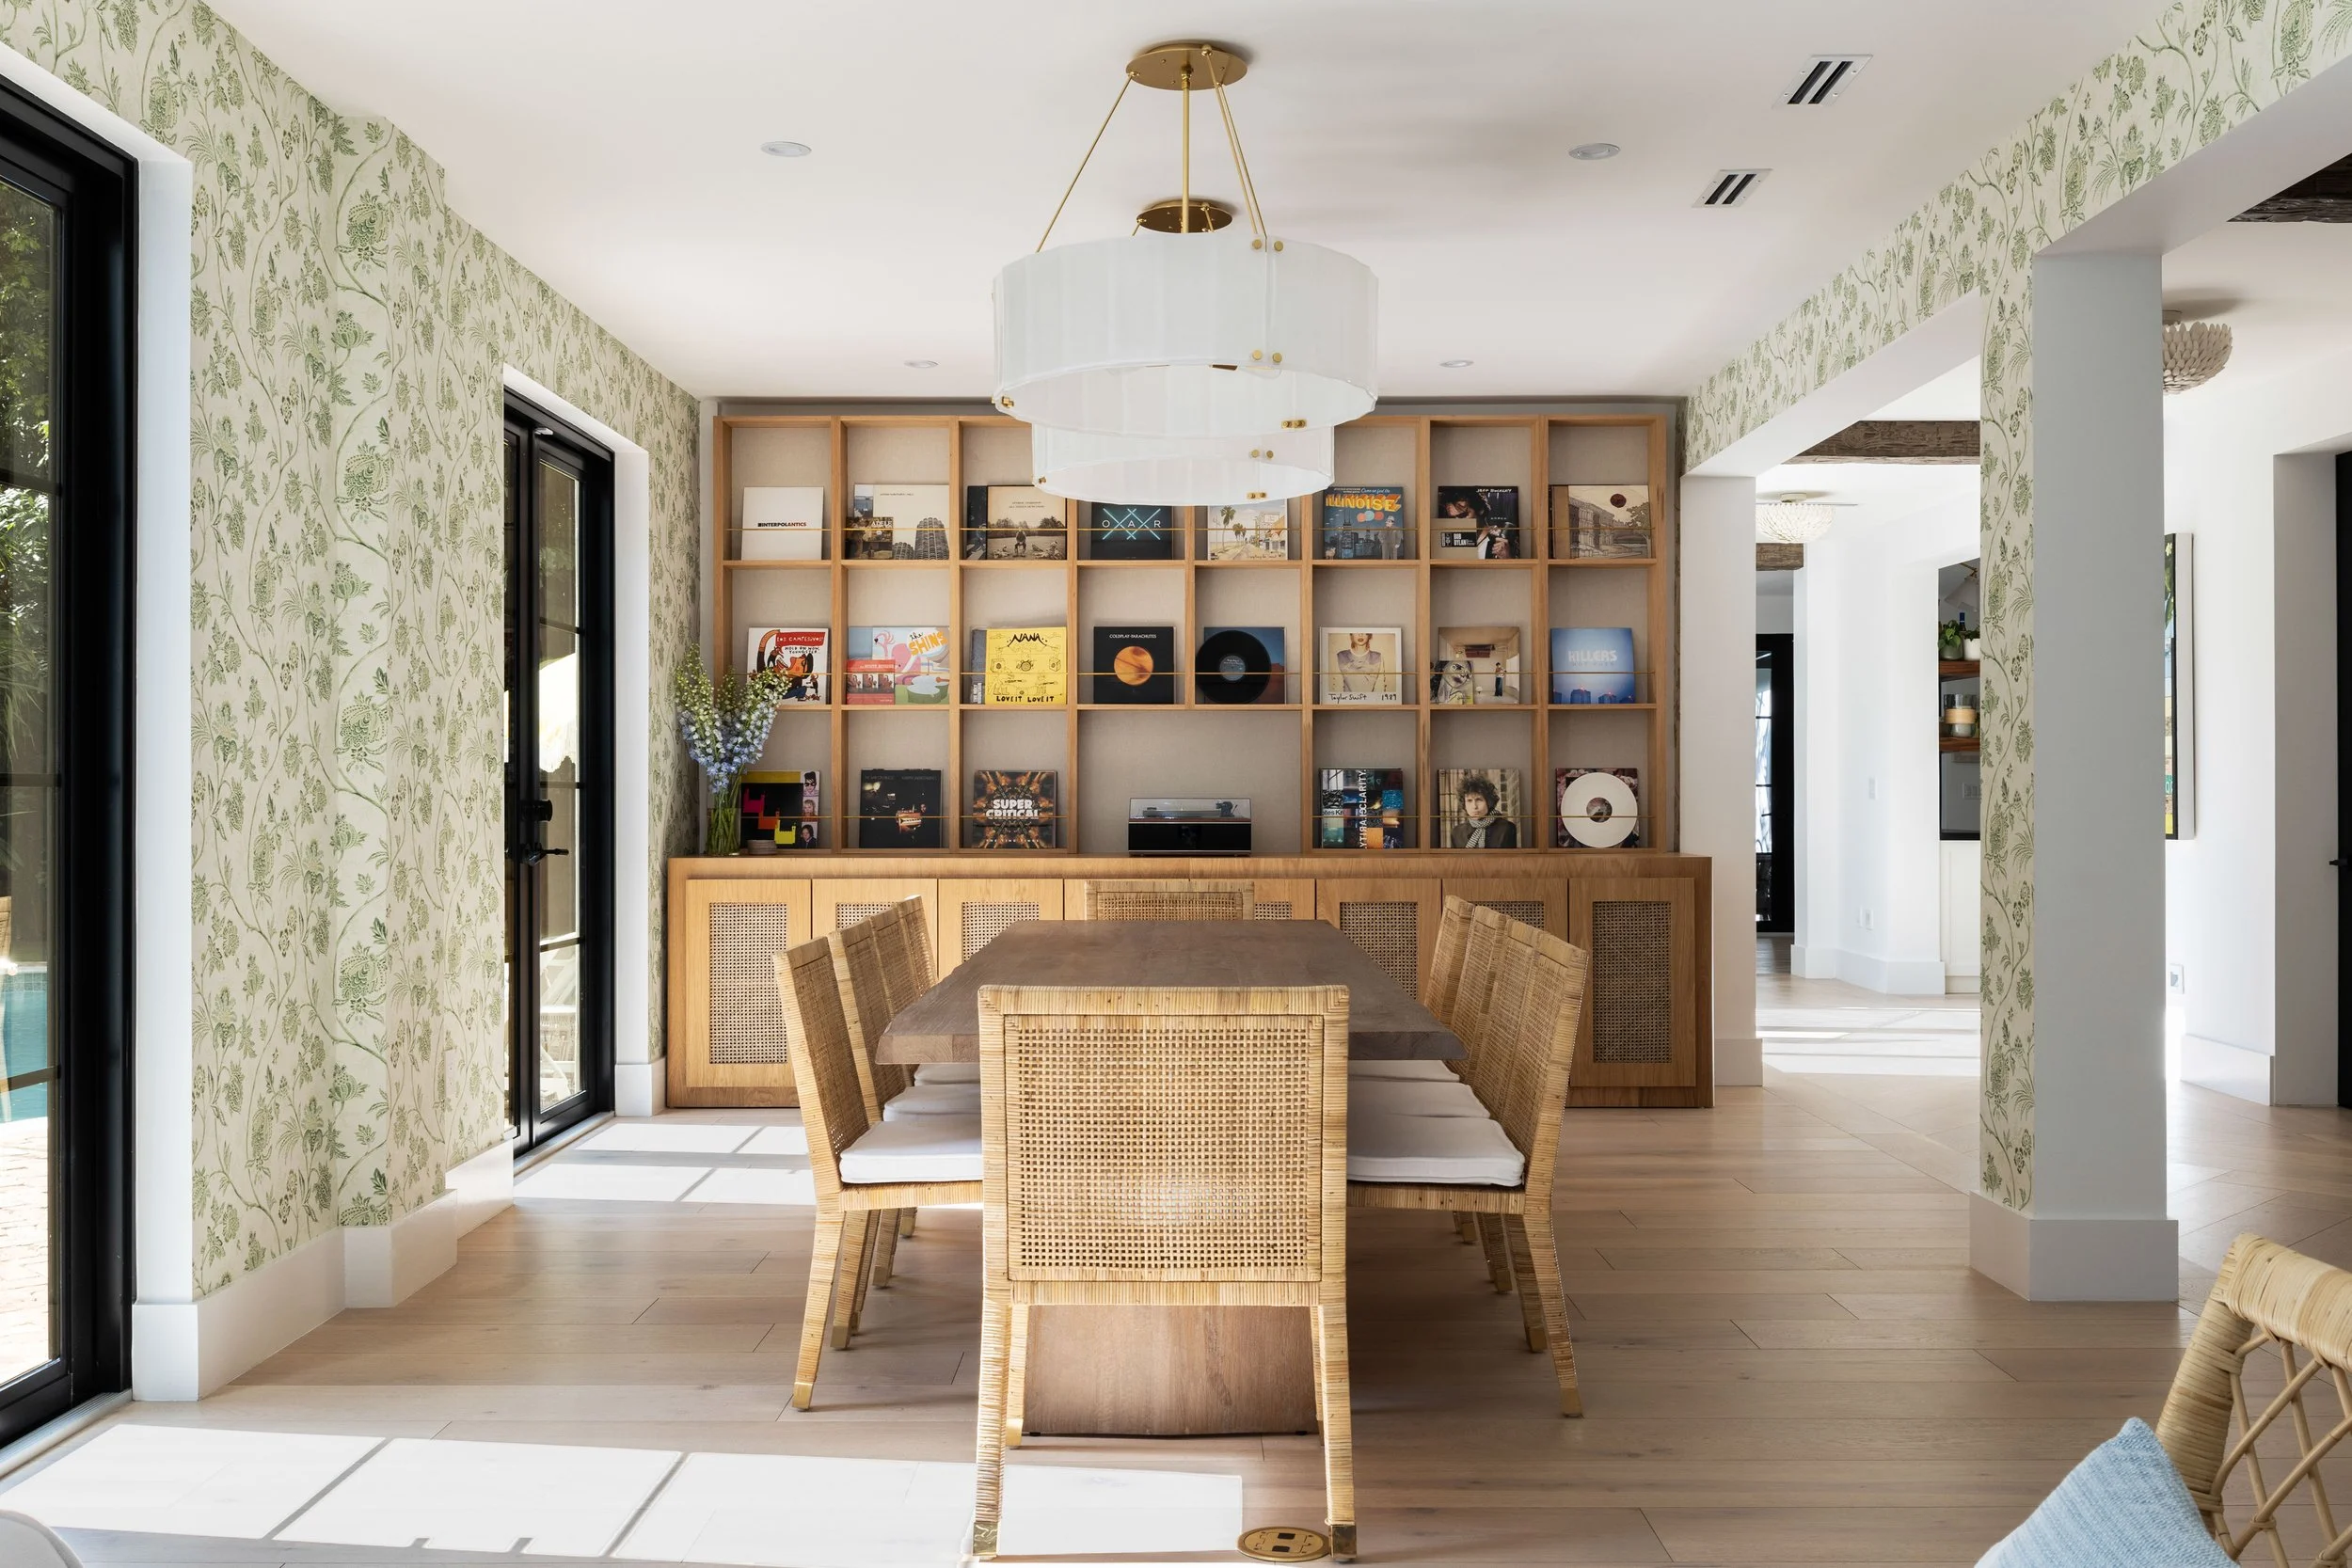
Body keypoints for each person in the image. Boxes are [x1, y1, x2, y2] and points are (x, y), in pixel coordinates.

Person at [1450, 774, 1518, 848]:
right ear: (1464, 804)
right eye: (1469, 801)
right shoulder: (1457, 833)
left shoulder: (1506, 829)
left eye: (1479, 800)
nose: (1474, 806)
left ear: (1488, 802)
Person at [1332, 630, 1389, 699]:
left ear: (1369, 634)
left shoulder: (1378, 657)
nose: (1360, 634)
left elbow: (1380, 690)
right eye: (1356, 631)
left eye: (1365, 631)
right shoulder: (1341, 657)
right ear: (1351, 633)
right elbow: (1337, 690)